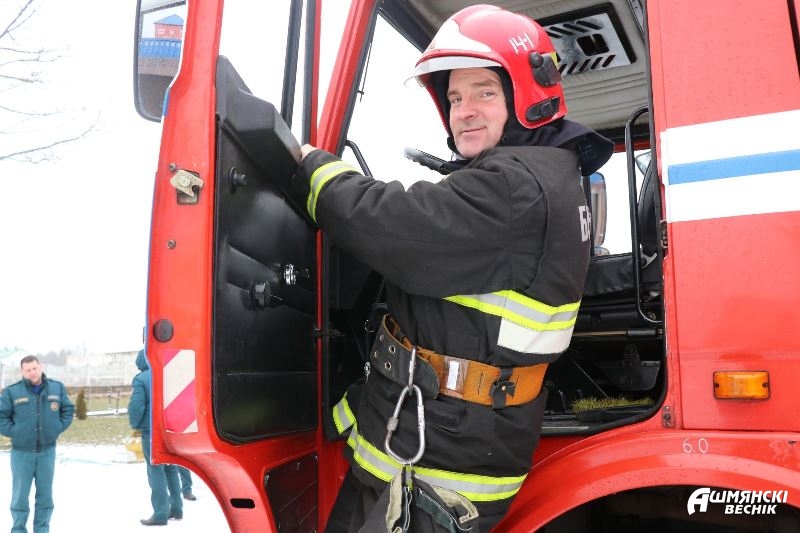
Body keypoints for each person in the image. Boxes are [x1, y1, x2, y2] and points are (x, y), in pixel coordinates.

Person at [295, 5, 613, 532]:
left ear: (525, 95)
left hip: (434, 460)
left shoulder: (513, 187)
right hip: (443, 436)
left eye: (484, 92)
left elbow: (394, 227)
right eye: (455, 97)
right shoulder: (546, 175)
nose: (464, 110)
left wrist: (314, 169)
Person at [0, 355, 74, 533]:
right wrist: (16, 432)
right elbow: (2, 417)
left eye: (35, 368)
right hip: (21, 453)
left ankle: (42, 529)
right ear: (22, 372)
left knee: (45, 497)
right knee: (20, 496)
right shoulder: (11, 392)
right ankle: (18, 529)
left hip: (47, 452)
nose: (32, 372)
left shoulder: (57, 387)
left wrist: (57, 428)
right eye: (28, 370)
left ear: (41, 367)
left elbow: (68, 409)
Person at [129, 349, 184, 526]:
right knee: (171, 467)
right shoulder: (167, 375)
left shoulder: (141, 379)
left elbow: (136, 407)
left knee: (155, 469)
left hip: (151, 431)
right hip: (170, 429)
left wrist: (135, 424)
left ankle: (160, 513)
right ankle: (177, 508)